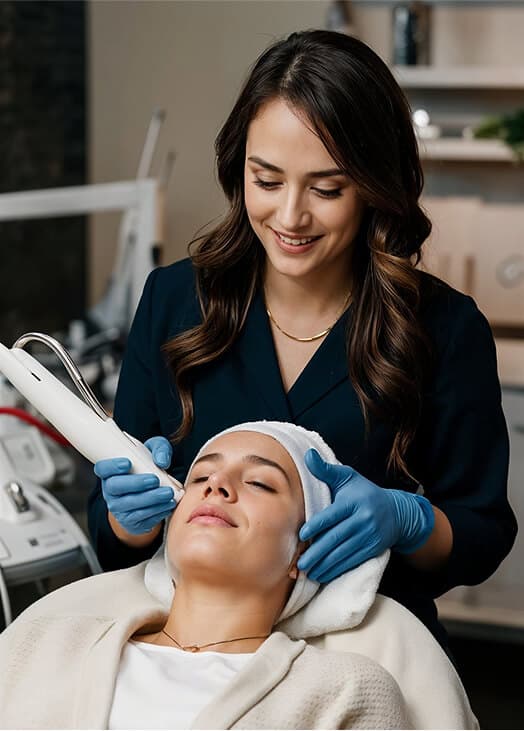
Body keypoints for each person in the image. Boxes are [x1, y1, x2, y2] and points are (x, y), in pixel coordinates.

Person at [88, 29, 517, 651]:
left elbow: (482, 534)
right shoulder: (176, 301)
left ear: (374, 186)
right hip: (200, 646)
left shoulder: (443, 329)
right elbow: (111, 540)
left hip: (366, 647)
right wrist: (127, 519)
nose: (290, 217)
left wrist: (408, 521)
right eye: (266, 181)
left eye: (326, 189)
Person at [0, 422, 416, 730]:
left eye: (260, 483)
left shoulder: (344, 692)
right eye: (198, 477)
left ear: (303, 552)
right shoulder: (42, 643)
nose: (217, 484)